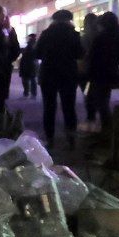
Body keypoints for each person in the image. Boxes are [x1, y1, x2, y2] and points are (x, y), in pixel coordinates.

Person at [35, 9, 84, 149]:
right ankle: (71, 138)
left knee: (49, 107)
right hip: (68, 75)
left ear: (54, 20)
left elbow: (37, 53)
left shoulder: (46, 34)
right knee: (69, 107)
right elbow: (80, 53)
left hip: (48, 74)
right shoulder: (73, 34)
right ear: (69, 20)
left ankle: (50, 138)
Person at [84, 11, 119, 133]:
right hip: (110, 72)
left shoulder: (100, 38)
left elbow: (92, 56)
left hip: (97, 74)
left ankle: (107, 130)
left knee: (97, 101)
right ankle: (106, 129)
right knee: (103, 100)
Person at [79, 12, 100, 125]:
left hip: (85, 71)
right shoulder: (100, 36)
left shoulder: (84, 38)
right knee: (97, 92)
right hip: (98, 70)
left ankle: (91, 114)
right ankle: (95, 111)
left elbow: (80, 54)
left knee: (87, 93)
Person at [19, 33, 39, 98]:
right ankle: (32, 93)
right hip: (32, 63)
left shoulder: (31, 44)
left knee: (26, 79)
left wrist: (23, 51)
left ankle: (27, 93)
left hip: (29, 64)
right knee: (32, 79)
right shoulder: (34, 44)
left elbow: (28, 53)